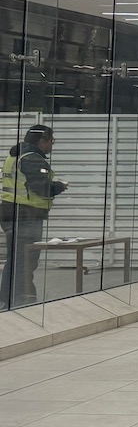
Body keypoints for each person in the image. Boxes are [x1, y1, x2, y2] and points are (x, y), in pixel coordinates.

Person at [2, 124, 67, 308]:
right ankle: (18, 301)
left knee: (16, 260)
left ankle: (12, 299)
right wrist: (59, 186)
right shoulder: (31, 159)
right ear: (42, 141)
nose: (52, 145)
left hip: (13, 213)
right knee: (24, 262)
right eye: (51, 141)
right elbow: (42, 189)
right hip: (25, 216)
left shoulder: (16, 155)